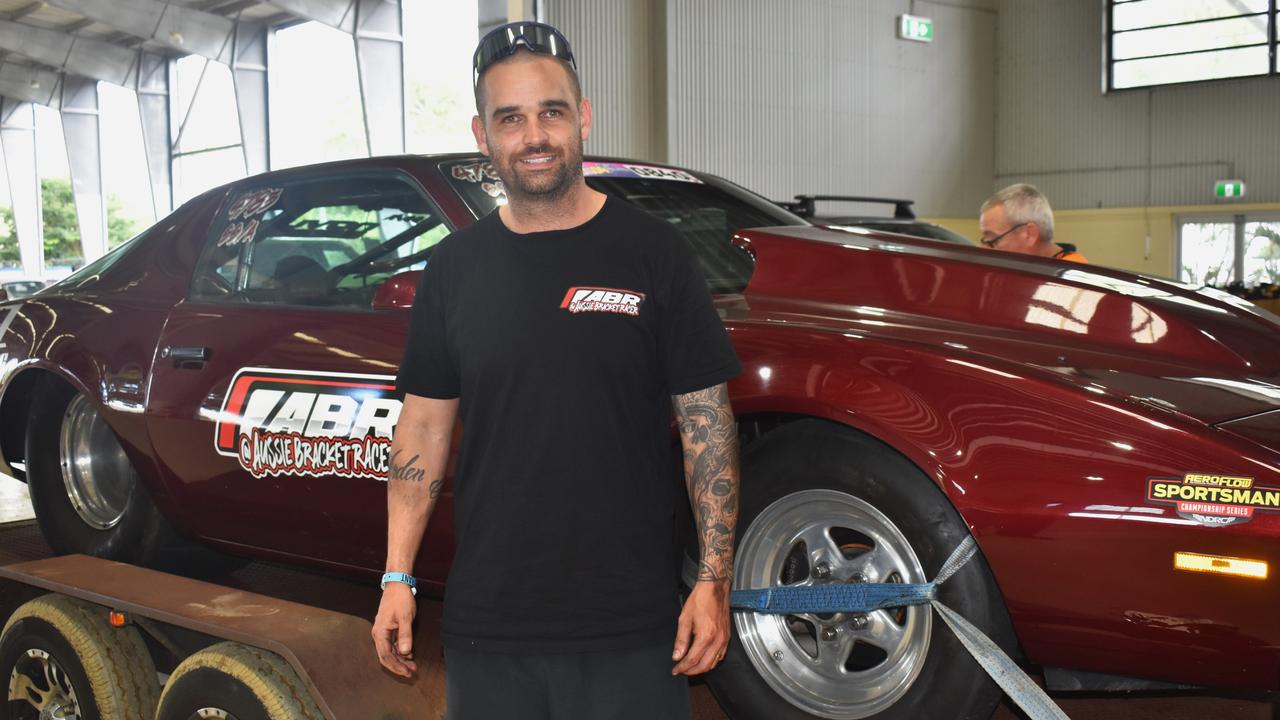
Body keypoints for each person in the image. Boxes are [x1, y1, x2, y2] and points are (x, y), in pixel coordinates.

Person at [371, 21, 742, 720]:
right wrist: (398, 575)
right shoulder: (453, 268)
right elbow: (421, 428)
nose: (534, 135)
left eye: (552, 111)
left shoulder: (654, 253)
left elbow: (707, 424)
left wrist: (714, 581)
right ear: (483, 136)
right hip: (490, 624)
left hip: (633, 625)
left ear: (584, 119)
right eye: (510, 119)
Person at [978, 183, 1087, 262]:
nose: (984, 250)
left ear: (1030, 234)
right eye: (985, 241)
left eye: (993, 241)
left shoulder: (1071, 282)